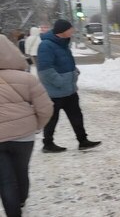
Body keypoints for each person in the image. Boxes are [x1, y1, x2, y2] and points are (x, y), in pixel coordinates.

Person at [0, 35, 53, 217]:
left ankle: (13, 211)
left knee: (5, 180)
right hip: (24, 136)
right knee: (21, 171)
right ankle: (21, 200)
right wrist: (36, 126)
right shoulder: (26, 78)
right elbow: (45, 108)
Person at [37, 19, 101, 153]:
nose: (73, 31)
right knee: (52, 119)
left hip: (70, 90)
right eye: (70, 29)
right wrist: (61, 82)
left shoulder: (63, 44)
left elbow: (67, 63)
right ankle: (48, 144)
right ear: (62, 31)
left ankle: (82, 141)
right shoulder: (46, 45)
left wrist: (75, 72)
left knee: (77, 116)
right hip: (55, 93)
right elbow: (45, 70)